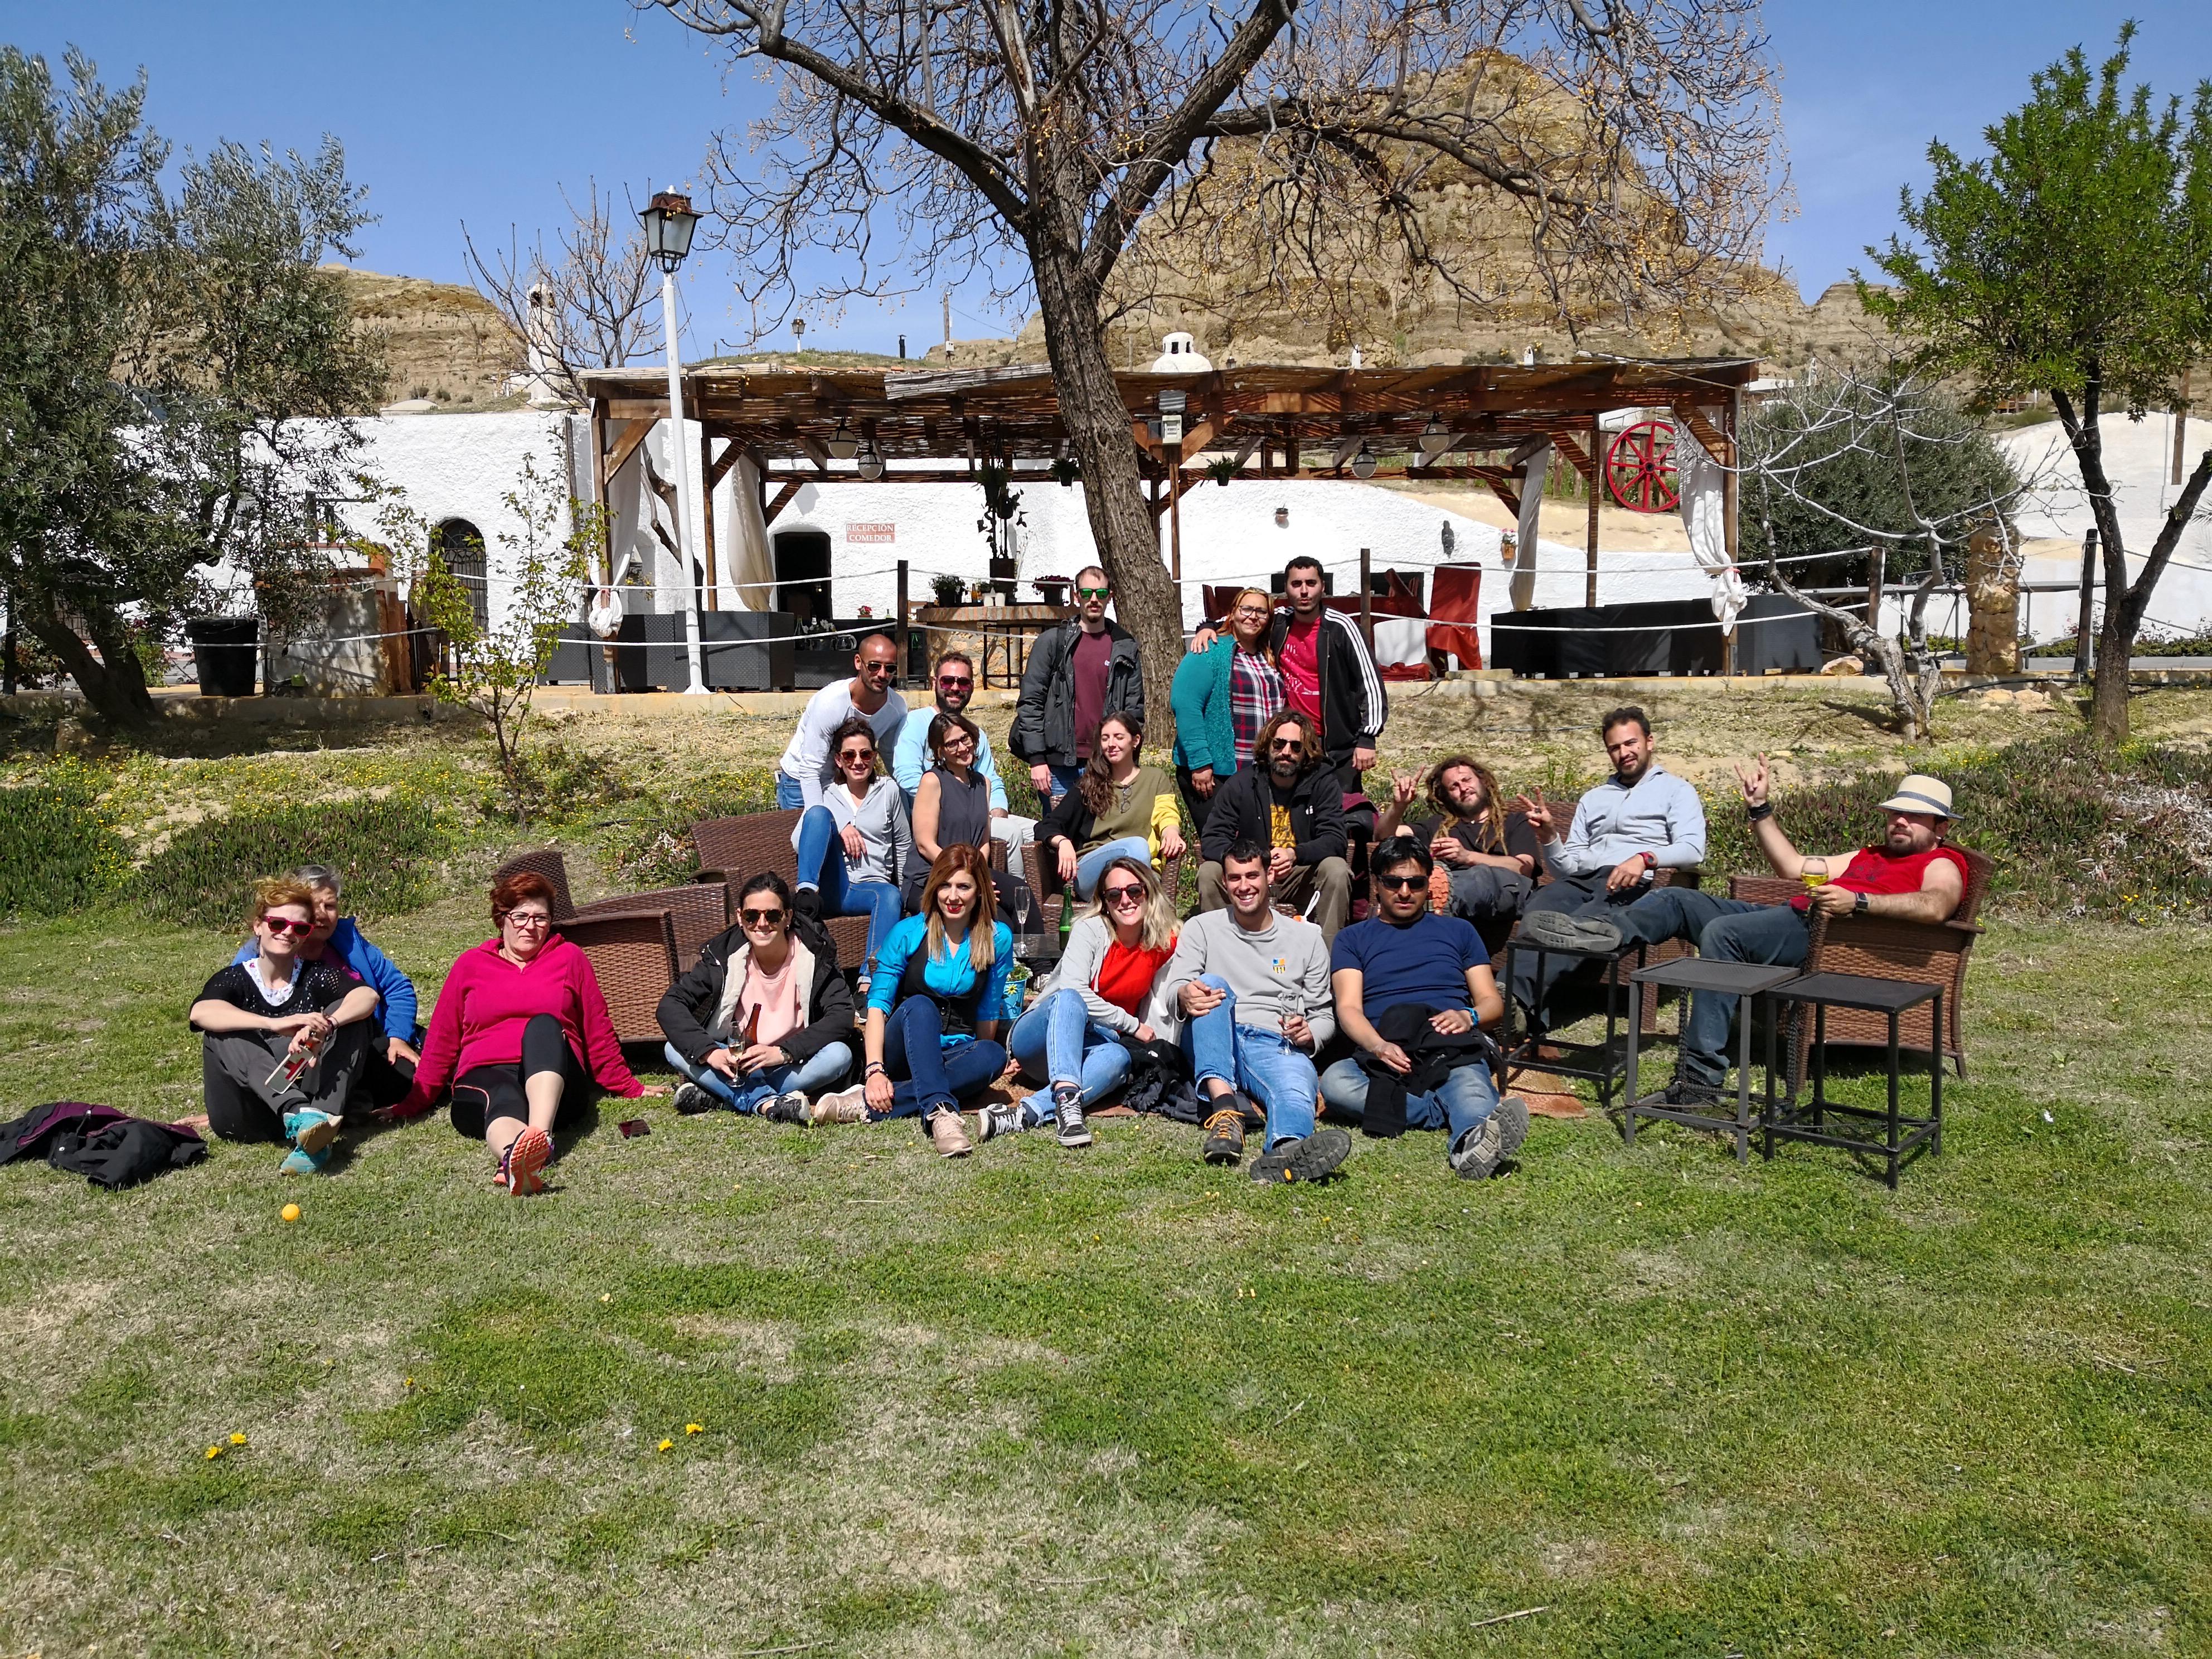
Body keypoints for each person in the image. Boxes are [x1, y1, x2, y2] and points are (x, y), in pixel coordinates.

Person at [1611, 766, 1970, 1100]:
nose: (1900, 821)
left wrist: (1858, 901)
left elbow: (1936, 904)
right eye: (1895, 814)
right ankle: (1605, 935)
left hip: (1825, 938)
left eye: (1914, 816)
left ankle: (1701, 1078)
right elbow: (1793, 867)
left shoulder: (1942, 863)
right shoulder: (1871, 854)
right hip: (1791, 918)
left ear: (1941, 828)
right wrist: (1759, 808)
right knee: (1677, 900)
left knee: (1725, 933)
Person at [394, 870, 651, 1196]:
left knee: (543, 1025)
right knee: (501, 1094)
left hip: (557, 1086)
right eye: (521, 916)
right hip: (485, 1076)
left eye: (541, 918)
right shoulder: (470, 965)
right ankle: (514, 1159)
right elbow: (442, 1040)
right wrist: (412, 1102)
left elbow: (596, 1029)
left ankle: (539, 1140)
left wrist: (629, 1086)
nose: (530, 926)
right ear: (502, 919)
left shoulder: (569, 958)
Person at [1323, 837, 1530, 1180]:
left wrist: (1469, 1016)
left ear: (1428, 885)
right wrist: (1377, 1045)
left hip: (1448, 1044)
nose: (1405, 891)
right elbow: (1348, 1008)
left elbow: (1492, 1002)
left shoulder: (1459, 931)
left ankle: (1471, 1146)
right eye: (1393, 882)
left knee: (1472, 1089)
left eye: (1415, 882)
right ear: (1377, 884)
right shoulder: (1353, 939)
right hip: (1387, 1050)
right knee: (1335, 1083)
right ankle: (1441, 1110)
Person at [1507, 706, 1707, 1037]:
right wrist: (1550, 837)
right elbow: (1566, 868)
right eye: (1615, 748)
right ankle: (1523, 1012)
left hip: (1636, 883)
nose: (1624, 753)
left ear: (1650, 742)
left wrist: (1645, 858)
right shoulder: (1593, 798)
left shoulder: (1677, 791)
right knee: (1539, 909)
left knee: (1577, 925)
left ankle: (1509, 1003)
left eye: (1631, 743)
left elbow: (1692, 849)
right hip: (1585, 880)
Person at [1160, 841, 1350, 1183]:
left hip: (1275, 1040)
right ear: (1225, 882)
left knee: (1295, 1086)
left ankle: (1288, 1150)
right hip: (1214, 1032)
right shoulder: (1203, 928)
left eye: (1252, 876)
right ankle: (1225, 1114)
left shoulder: (1306, 940)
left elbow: (1323, 1014)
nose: (1244, 886)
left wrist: (1311, 1034)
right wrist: (1185, 993)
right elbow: (1177, 988)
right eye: (1235, 878)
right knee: (1211, 982)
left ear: (1270, 876)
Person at [810, 845, 1014, 1156]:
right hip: (904, 1047)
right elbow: (877, 1006)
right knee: (921, 1006)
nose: (953, 896)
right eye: (945, 885)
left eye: (963, 886)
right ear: (934, 887)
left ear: (980, 891)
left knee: (993, 1055)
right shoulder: (908, 932)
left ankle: (862, 1105)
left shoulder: (997, 937)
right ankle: (941, 1113)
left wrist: (981, 1053)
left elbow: (988, 1007)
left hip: (953, 1050)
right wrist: (876, 1070)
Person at [191, 877, 382, 1174]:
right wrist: (274, 1024)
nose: (288, 933)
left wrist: (326, 1025)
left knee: (349, 1017)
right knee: (224, 1031)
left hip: (304, 1093)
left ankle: (319, 1129)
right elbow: (201, 1012)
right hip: (246, 1117)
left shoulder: (316, 975)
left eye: (300, 928)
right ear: (258, 926)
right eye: (277, 924)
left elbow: (367, 996)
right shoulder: (235, 979)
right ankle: (301, 1116)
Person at [986, 854, 1178, 1149]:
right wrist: (1132, 1025)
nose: (1125, 900)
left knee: (1120, 1059)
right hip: (1042, 1035)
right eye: (1114, 895)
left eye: (1134, 891)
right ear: (1105, 901)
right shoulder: (1090, 930)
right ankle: (1066, 1097)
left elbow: (1193, 965)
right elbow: (1072, 988)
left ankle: (1027, 1113)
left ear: (1148, 892)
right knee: (1071, 997)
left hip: (1095, 1044)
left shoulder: (1162, 940)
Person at [657, 872, 857, 1120]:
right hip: (736, 1061)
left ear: (788, 917)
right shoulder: (724, 955)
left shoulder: (814, 954)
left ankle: (724, 1097)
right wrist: (711, 1053)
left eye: (772, 915)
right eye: (752, 916)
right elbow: (670, 1004)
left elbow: (842, 1015)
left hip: (792, 1061)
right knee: (673, 1048)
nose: (762, 924)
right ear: (740, 917)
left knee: (839, 1056)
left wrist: (784, 1052)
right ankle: (768, 1103)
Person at [229, 863, 420, 1112]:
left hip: (363, 1041)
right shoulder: (263, 951)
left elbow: (396, 988)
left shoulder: (348, 941)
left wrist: (399, 1038)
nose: (321, 915)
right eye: (312, 906)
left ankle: (353, 1101)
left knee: (413, 1072)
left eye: (329, 906)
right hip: (293, 1053)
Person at [1192, 556, 1386, 790]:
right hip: (1291, 741)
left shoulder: (1341, 627)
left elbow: (1371, 684)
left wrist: (1368, 737)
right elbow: (1234, 620)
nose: (1304, 591)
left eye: (1311, 583)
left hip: (1336, 745)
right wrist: (1206, 628)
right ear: (1286, 588)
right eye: (1296, 584)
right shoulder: (1279, 621)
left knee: (1341, 813)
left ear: (1323, 587)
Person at [1196, 709, 1352, 942]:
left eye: (1296, 747)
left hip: (1300, 875)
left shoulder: (1323, 782)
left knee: (1336, 870)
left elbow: (1335, 839)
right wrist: (1254, 862)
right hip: (1252, 873)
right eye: (1279, 744)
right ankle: (1221, 951)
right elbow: (1213, 838)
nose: (1286, 752)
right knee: (1209, 872)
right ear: (1268, 745)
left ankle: (1330, 961)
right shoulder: (1242, 783)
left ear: (1306, 752)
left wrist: (1295, 854)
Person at [790, 716, 910, 984]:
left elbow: (902, 843)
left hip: (869, 888)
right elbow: (799, 841)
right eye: (849, 755)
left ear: (874, 757)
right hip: (834, 886)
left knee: (889, 896)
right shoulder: (827, 793)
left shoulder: (888, 790)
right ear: (838, 760)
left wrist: (906, 894)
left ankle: (869, 982)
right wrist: (841, 824)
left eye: (865, 754)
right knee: (818, 814)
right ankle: (806, 897)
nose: (858, 762)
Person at [1011, 564, 1143, 806]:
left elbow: (1134, 710)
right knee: (1059, 837)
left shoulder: (1124, 646)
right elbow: (1031, 702)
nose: (1094, 600)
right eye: (1087, 593)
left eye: (1101, 594)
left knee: (1103, 837)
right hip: (1058, 766)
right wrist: (1037, 760)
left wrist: (1129, 759)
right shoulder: (1052, 643)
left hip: (1106, 761)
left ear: (1109, 598)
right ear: (1076, 596)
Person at [906, 710, 1042, 932]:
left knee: (1020, 891)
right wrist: (967, 877)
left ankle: (1041, 965)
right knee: (1000, 922)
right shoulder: (933, 781)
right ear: (940, 751)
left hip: (971, 870)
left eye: (965, 738)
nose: (962, 748)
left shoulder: (983, 783)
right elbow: (924, 844)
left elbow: (983, 842)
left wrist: (978, 875)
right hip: (932, 876)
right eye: (952, 744)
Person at [890, 648, 1035, 856]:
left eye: (963, 683)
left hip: (976, 817)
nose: (956, 688)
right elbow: (906, 775)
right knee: (1010, 833)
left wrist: (997, 811)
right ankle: (1005, 886)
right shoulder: (915, 723)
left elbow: (990, 778)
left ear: (972, 688)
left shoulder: (975, 734)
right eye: (948, 681)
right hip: (939, 819)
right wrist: (956, 805)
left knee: (1035, 831)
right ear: (935, 683)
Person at [1372, 756, 1539, 933]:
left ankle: (1437, 902)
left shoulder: (1514, 821)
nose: (1463, 788)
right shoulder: (1439, 825)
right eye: (1454, 787)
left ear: (1483, 781)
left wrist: (1467, 857)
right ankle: (1435, 906)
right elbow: (1384, 836)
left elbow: (1524, 868)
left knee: (1480, 875)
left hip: (1506, 890)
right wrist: (1399, 806)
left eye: (1467, 780)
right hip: (1457, 898)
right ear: (1447, 796)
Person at [1037, 711, 1186, 900]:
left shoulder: (1155, 778)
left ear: (1135, 740)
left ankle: (1138, 903)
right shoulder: (1090, 784)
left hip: (1141, 870)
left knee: (1139, 850)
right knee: (1137, 845)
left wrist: (1171, 831)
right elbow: (1048, 824)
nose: (1111, 744)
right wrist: (1063, 842)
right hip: (1094, 873)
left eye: (1119, 737)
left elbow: (1166, 812)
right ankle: (1146, 899)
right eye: (1105, 738)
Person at [1170, 587, 1284, 834]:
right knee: (1222, 845)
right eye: (1247, 609)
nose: (1253, 616)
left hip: (1261, 770)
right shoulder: (1210, 650)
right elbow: (1186, 706)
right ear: (1233, 613)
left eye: (1262, 612)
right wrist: (1200, 763)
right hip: (1216, 772)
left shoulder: (1270, 656)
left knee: (1257, 850)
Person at [774, 630, 908, 808]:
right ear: (858, 662)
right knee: (813, 833)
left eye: (890, 668)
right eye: (874, 666)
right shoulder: (831, 703)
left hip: (844, 784)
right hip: (801, 783)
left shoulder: (896, 708)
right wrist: (818, 817)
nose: (883, 675)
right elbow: (810, 770)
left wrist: (911, 795)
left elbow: (890, 754)